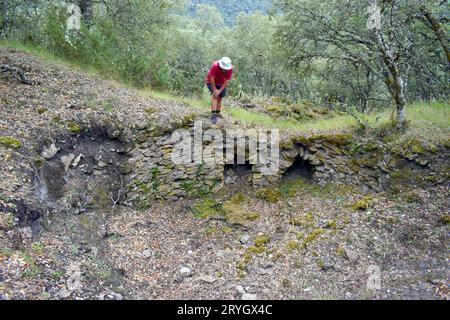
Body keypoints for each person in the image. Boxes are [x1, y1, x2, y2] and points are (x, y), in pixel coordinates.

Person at [205, 57, 234, 124]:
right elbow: (211, 78)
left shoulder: (230, 68)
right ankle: (213, 114)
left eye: (226, 69)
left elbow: (227, 80)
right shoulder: (215, 65)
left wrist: (220, 91)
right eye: (223, 69)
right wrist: (215, 90)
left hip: (221, 83)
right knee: (215, 96)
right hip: (211, 82)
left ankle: (218, 112)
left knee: (220, 97)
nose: (225, 70)